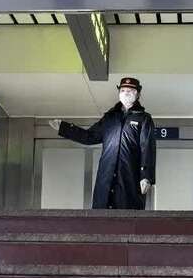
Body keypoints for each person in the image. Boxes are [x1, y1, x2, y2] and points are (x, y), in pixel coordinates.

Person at [49, 77, 156, 210]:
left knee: (128, 213)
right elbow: (89, 136)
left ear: (138, 94)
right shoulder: (110, 118)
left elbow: (147, 148)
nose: (126, 93)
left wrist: (146, 176)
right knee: (102, 212)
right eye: (123, 90)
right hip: (106, 176)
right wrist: (64, 128)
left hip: (129, 175)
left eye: (130, 90)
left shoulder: (144, 119)